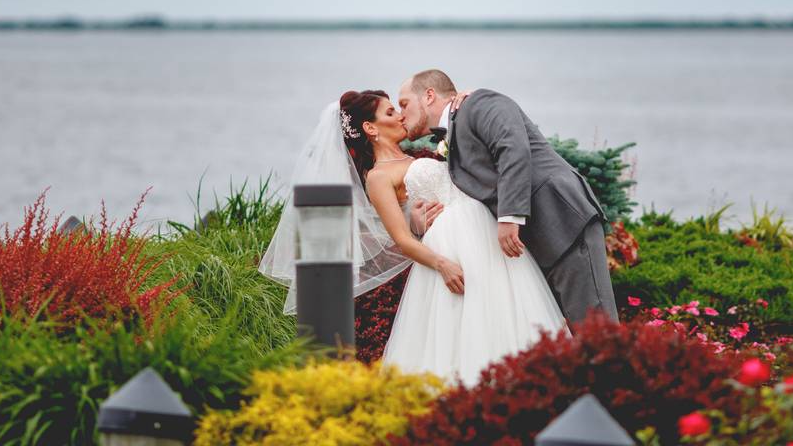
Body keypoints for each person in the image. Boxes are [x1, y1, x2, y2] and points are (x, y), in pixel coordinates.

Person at [260, 89, 567, 386]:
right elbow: (403, 239)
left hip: (482, 232)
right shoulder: (379, 177)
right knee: (465, 331)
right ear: (370, 127)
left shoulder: (422, 153)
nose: (401, 116)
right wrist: (442, 264)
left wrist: (463, 99)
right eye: (391, 111)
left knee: (506, 311)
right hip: (450, 248)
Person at [398, 69, 619, 325]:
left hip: (562, 221)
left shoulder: (480, 103)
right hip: (530, 246)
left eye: (404, 104)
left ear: (428, 96)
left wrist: (509, 217)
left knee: (597, 327)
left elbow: (513, 150)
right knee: (566, 335)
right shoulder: (454, 129)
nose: (401, 113)